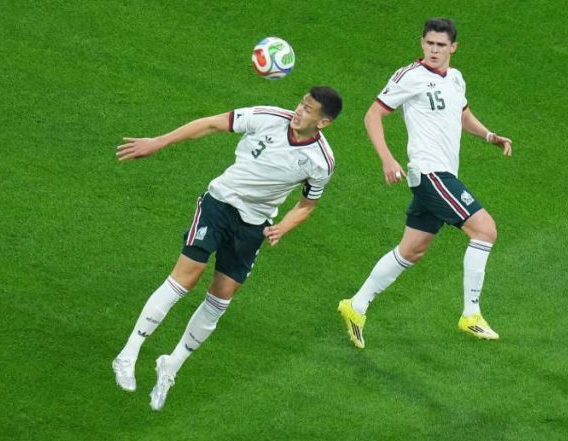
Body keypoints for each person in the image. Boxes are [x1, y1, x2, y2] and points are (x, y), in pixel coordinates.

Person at [113, 87, 342, 410]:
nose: (298, 111)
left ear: (324, 122)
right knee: (186, 278)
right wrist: (159, 141)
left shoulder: (321, 161)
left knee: (220, 299)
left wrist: (283, 226)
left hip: (254, 226)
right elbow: (211, 124)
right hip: (220, 203)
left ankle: (171, 366)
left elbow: (308, 203)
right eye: (300, 103)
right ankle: (129, 353)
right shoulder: (267, 118)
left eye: (308, 109)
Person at [338, 17, 513, 348]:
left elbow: (462, 115)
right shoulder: (410, 77)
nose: (434, 50)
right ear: (422, 43)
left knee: (412, 250)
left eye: (441, 45)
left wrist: (490, 135)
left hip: (442, 174)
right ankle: (471, 314)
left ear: (453, 48)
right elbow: (372, 115)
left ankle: (355, 306)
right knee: (485, 230)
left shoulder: (456, 79)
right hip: (431, 174)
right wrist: (387, 159)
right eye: (429, 43)